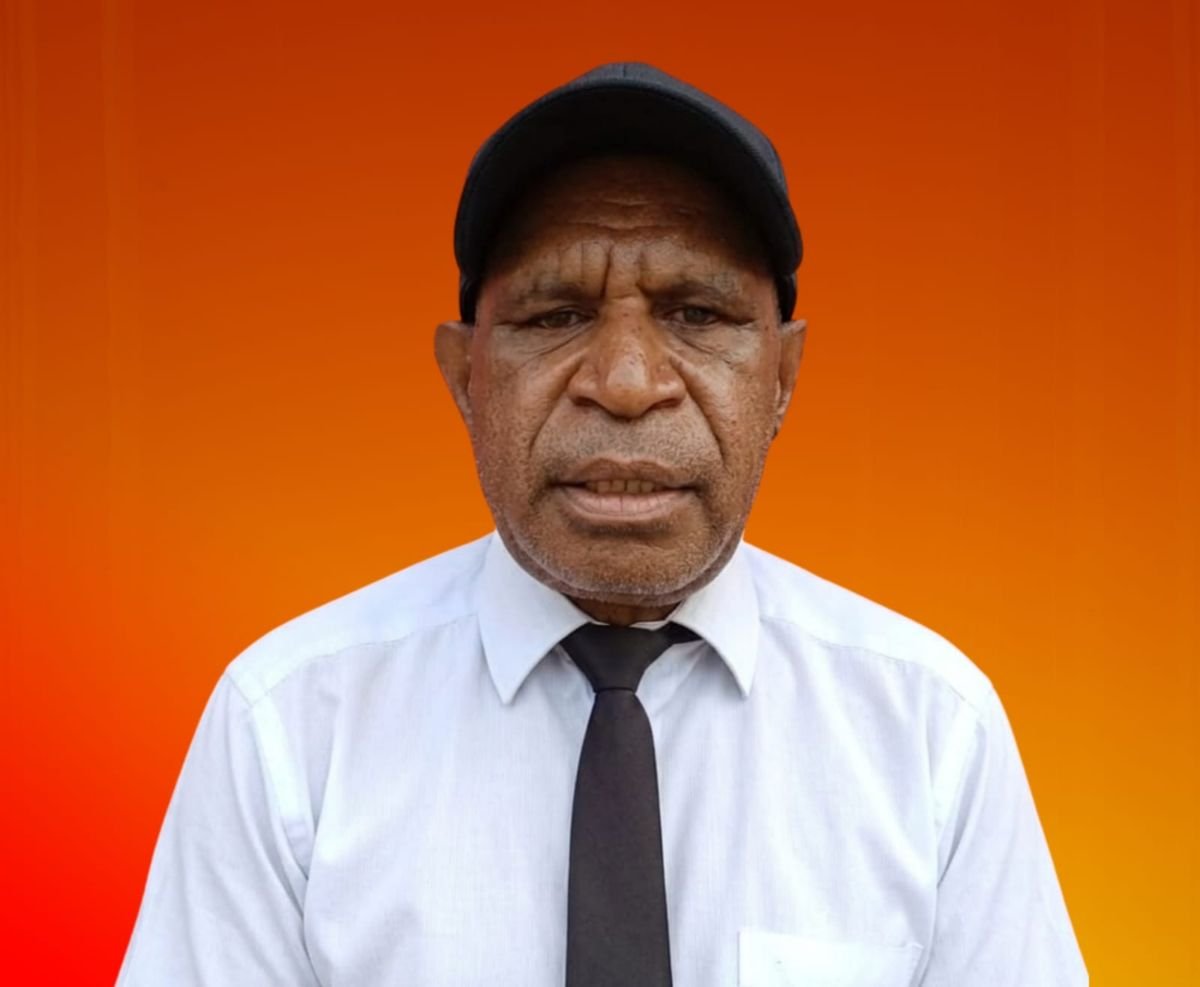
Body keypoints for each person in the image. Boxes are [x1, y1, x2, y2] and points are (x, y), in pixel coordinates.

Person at [117, 62, 1087, 986]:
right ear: (465, 376)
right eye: (555, 316)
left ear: (784, 376)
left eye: (697, 313)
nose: (626, 382)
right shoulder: (292, 727)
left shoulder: (928, 732)